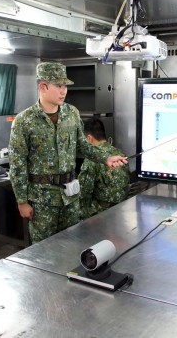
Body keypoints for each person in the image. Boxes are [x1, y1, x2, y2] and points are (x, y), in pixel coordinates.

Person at [8, 62, 127, 243]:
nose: (63, 91)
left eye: (65, 86)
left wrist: (106, 157)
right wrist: (22, 201)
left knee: (71, 245)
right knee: (43, 250)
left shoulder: (72, 114)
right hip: (42, 200)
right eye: (58, 86)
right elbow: (17, 163)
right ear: (43, 86)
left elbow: (83, 145)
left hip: (70, 196)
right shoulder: (24, 121)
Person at [78, 117, 130, 218]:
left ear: (89, 138)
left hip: (100, 213)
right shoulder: (120, 154)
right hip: (122, 209)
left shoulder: (92, 159)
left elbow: (83, 193)